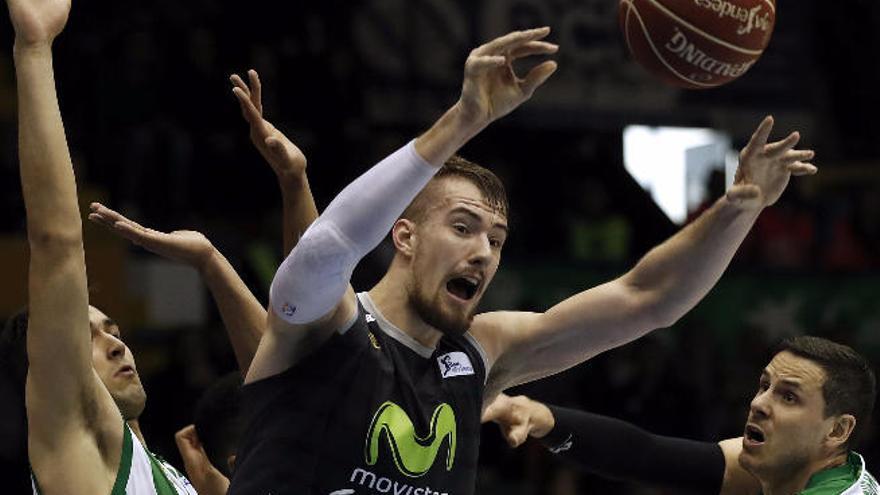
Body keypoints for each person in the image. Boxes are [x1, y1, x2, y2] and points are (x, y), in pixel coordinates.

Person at [227, 20, 817, 495]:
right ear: (403, 236)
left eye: (497, 239)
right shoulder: (324, 327)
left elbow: (647, 300)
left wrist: (739, 210)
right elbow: (328, 247)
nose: (483, 252)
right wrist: (465, 120)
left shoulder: (482, 352)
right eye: (463, 227)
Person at [85, 69, 318, 495]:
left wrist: (212, 261)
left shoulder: (171, 477)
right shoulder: (74, 464)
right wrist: (34, 49)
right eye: (89, 339)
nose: (118, 344)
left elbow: (287, 384)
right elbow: (53, 246)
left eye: (114, 332)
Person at [483, 336, 878, 495]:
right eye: (764, 386)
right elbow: (647, 455)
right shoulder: (792, 468)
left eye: (789, 397)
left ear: (837, 430)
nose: (759, 403)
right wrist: (538, 416)